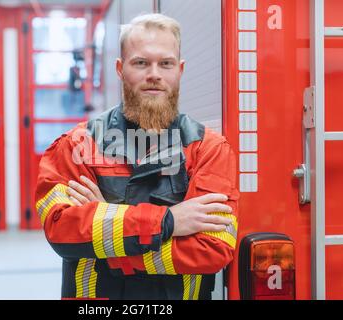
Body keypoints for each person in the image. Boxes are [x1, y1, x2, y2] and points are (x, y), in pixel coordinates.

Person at [35, 13, 239, 300]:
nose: (154, 73)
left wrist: (108, 236)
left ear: (179, 70)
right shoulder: (76, 145)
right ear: (120, 69)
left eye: (165, 63)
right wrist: (169, 221)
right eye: (141, 62)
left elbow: (212, 249)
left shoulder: (210, 149)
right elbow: (62, 231)